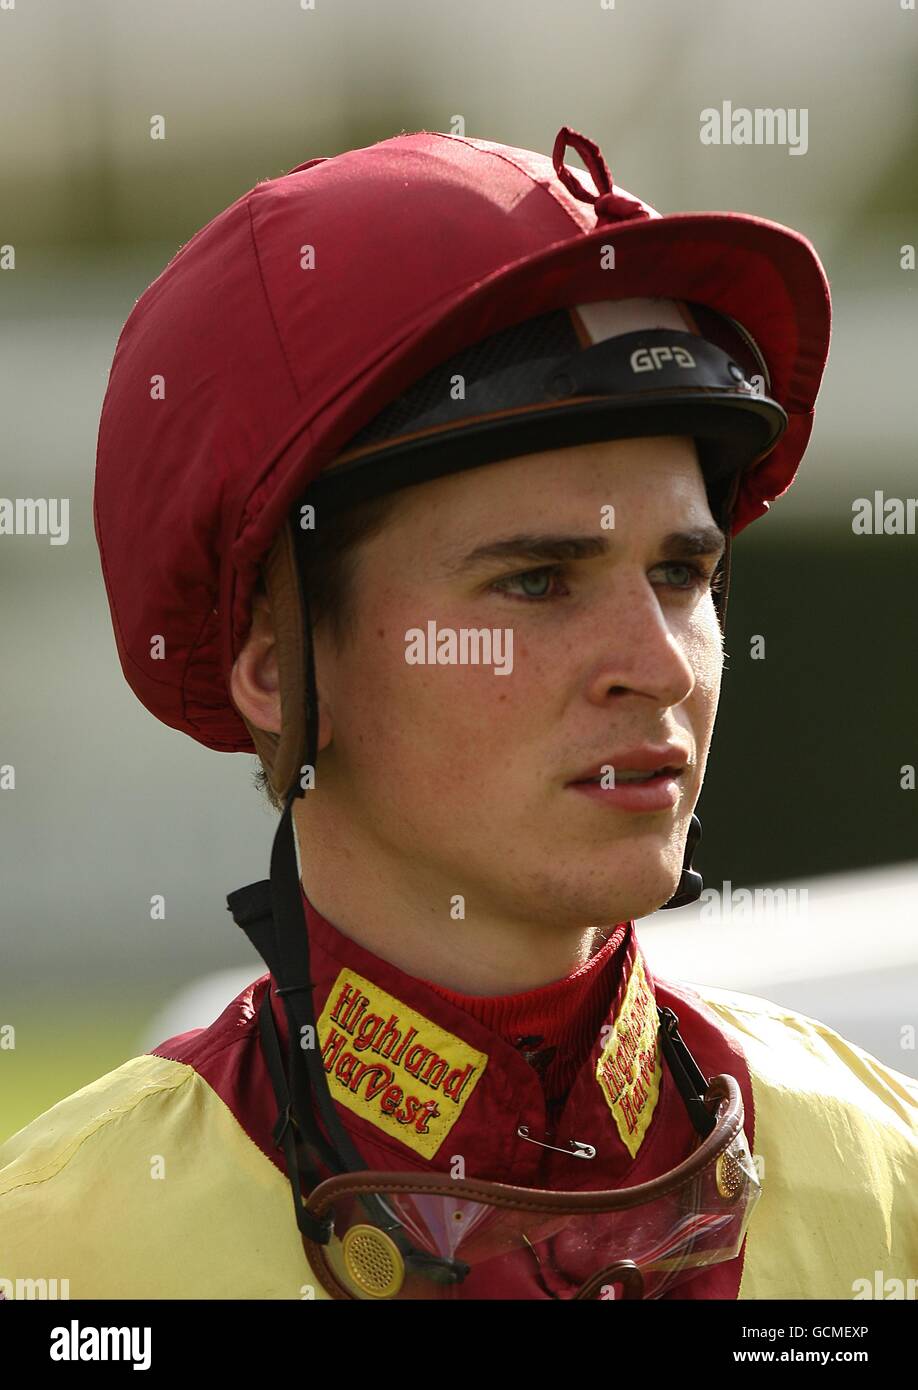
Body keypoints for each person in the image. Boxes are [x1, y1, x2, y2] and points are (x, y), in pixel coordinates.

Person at [1, 126, 916, 1302]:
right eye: (537, 581)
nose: (657, 663)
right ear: (277, 667)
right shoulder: (61, 1262)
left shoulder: (886, 1185)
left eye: (683, 575)